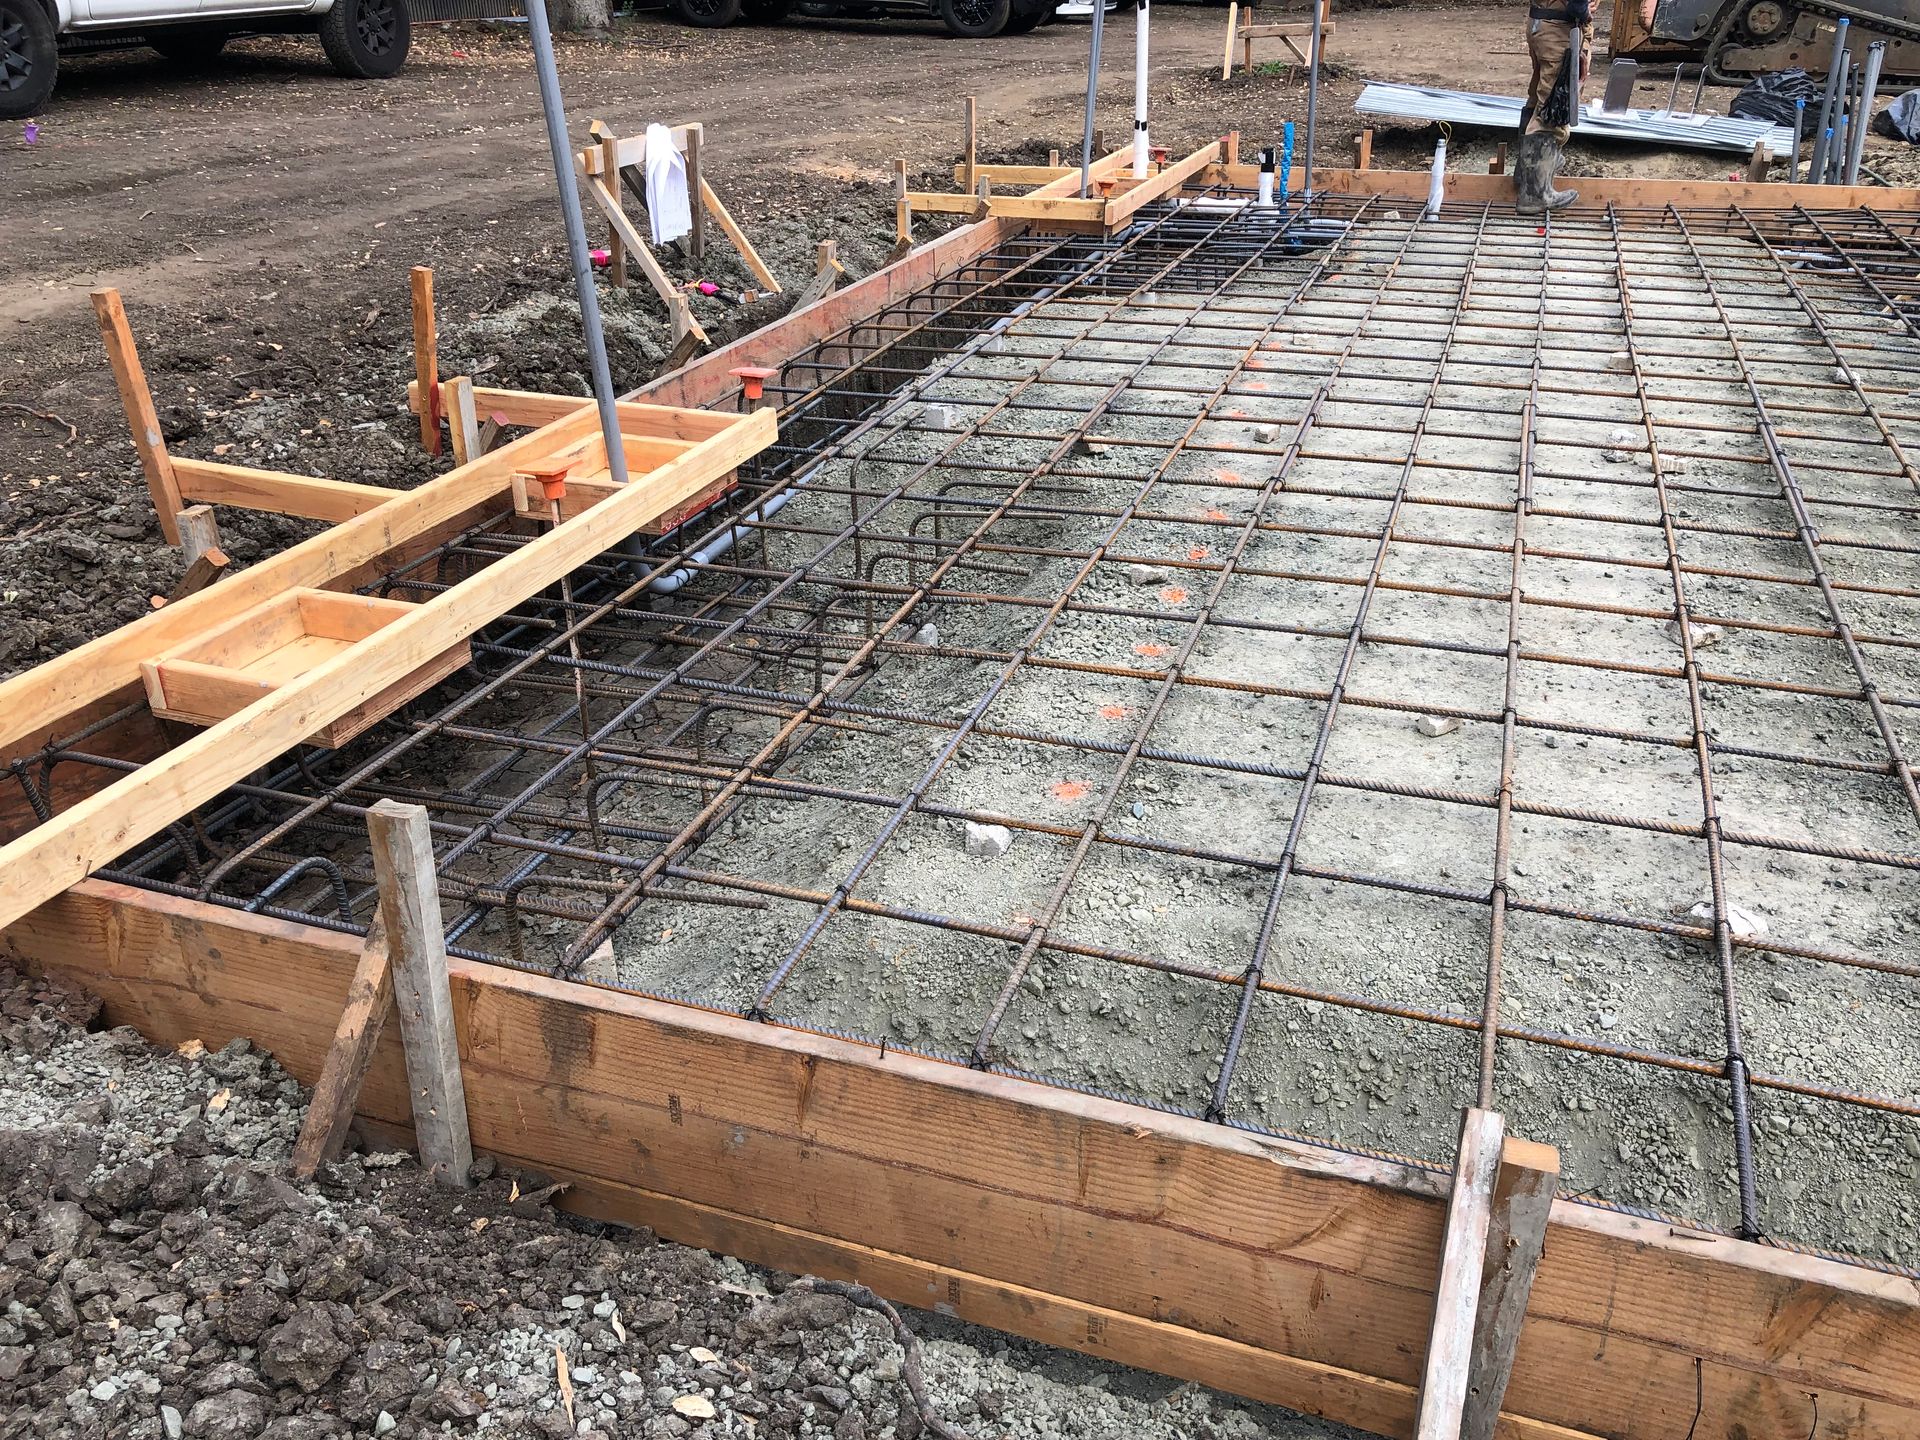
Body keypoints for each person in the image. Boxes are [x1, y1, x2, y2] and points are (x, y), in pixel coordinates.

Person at [1516, 0, 1658, 214]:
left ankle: (1526, 175)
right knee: (1554, 109)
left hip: (1541, 22)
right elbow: (1576, 7)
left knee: (1539, 100)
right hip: (1559, 29)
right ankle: (1535, 194)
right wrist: (1583, 11)